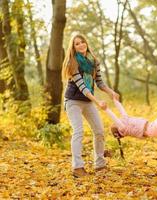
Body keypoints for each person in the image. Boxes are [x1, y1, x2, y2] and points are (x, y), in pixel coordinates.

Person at [62, 34, 119, 178]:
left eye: (82, 42)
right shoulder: (72, 63)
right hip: (73, 100)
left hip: (87, 101)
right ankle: (77, 168)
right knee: (78, 131)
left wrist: (111, 92)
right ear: (73, 48)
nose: (81, 45)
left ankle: (99, 164)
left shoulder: (94, 61)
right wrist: (97, 101)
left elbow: (99, 83)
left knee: (99, 131)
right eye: (77, 44)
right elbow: (83, 87)